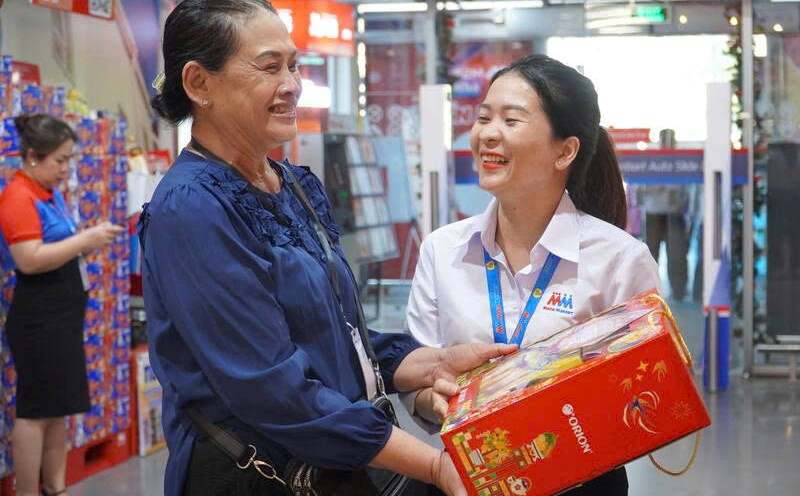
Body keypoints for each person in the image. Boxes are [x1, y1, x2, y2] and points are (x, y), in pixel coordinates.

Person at [140, 2, 513, 496]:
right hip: (255, 478)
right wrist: (437, 466)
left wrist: (432, 363)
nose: (292, 83)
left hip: (332, 466)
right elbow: (270, 388)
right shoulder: (191, 209)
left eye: (293, 65)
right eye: (270, 66)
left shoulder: (292, 185)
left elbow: (336, 334)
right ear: (198, 83)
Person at [405, 54, 661, 496]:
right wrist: (431, 400)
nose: (488, 133)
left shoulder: (620, 259)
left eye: (511, 119)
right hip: (465, 479)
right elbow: (418, 374)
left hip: (581, 485)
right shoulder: (442, 250)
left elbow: (643, 393)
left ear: (565, 150)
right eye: (484, 117)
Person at [0, 114, 123, 496]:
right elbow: (30, 259)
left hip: (62, 318)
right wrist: (86, 240)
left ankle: (55, 486)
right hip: (39, 320)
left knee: (58, 409)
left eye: (69, 159)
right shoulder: (18, 197)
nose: (65, 169)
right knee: (36, 412)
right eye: (60, 160)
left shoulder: (47, 193)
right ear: (33, 157)